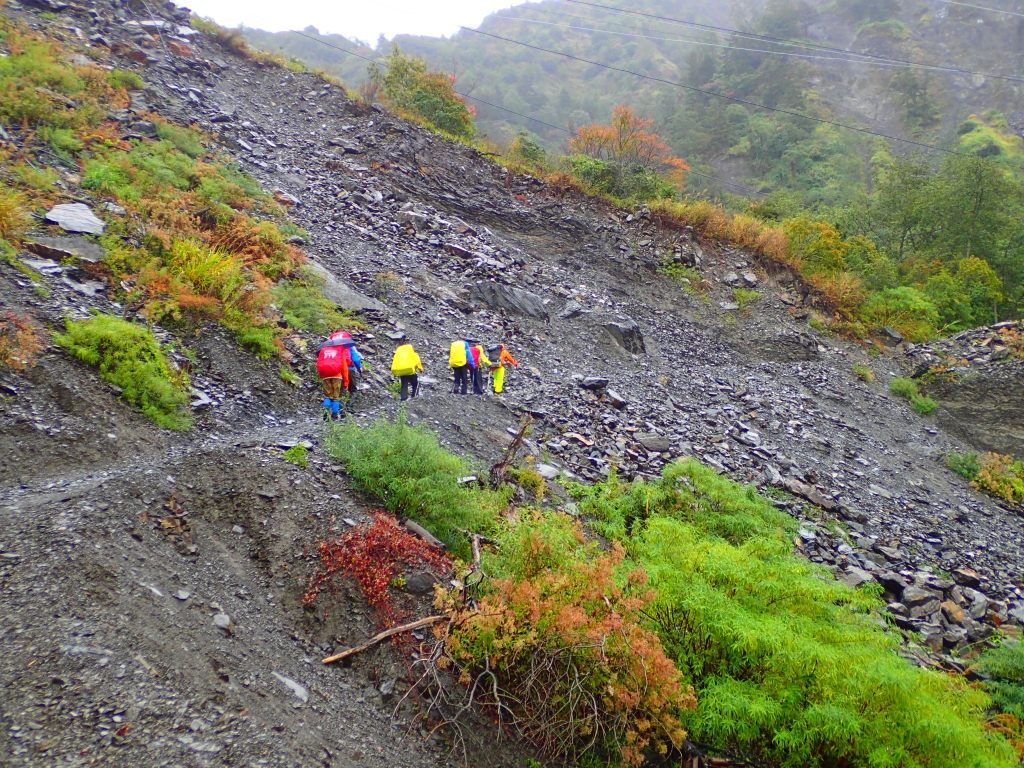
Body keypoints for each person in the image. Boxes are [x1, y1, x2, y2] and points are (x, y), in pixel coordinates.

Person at [316, 334, 352, 420]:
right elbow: (345, 369)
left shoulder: (323, 351)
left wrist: (323, 376)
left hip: (325, 377)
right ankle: (334, 415)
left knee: (328, 396)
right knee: (336, 397)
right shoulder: (339, 353)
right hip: (337, 377)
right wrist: (346, 383)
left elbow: (318, 365)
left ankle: (325, 413)